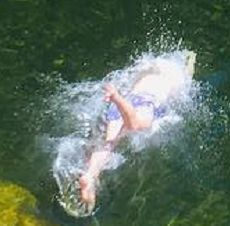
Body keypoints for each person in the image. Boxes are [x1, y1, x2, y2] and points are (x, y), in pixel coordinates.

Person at [75, 62, 183, 212]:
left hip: (129, 101)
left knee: (110, 142)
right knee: (136, 125)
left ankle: (91, 175)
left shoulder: (145, 75)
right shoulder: (174, 79)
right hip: (145, 102)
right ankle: (117, 98)